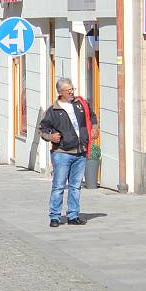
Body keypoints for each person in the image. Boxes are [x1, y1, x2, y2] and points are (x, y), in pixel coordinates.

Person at [39, 77, 99, 228]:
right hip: (62, 152)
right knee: (59, 186)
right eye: (69, 90)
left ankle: (73, 215)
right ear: (60, 92)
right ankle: (54, 216)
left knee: (75, 185)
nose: (72, 92)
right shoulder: (53, 110)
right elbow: (43, 129)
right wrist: (51, 137)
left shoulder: (81, 104)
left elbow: (91, 116)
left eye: (73, 89)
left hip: (80, 151)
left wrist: (94, 127)